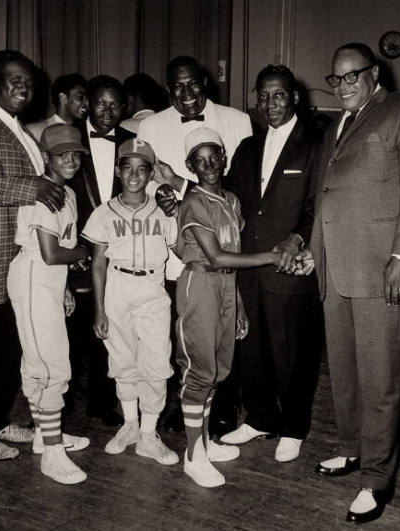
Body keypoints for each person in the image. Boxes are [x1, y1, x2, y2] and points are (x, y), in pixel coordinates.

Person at [302, 43, 400, 523]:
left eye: (352, 76)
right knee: (344, 372)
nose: (343, 85)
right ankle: (351, 448)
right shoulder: (335, 124)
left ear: (374, 73)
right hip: (337, 270)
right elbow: (328, 196)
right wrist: (312, 251)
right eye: (335, 79)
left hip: (384, 270)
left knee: (382, 379)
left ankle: (378, 478)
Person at [138, 56, 252, 436]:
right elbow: (146, 180)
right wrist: (161, 195)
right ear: (167, 89)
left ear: (206, 82)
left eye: (192, 84)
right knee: (184, 338)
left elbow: (236, 189)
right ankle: (185, 408)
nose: (185, 94)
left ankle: (221, 408)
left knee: (224, 338)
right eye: (177, 87)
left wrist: (183, 192)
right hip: (179, 253)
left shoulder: (238, 121)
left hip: (224, 249)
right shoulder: (150, 125)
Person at [219, 65, 320, 464]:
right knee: (253, 350)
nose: (270, 103)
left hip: (291, 269)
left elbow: (320, 205)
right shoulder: (247, 147)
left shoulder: (316, 142)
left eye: (278, 95)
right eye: (263, 96)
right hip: (249, 268)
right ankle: (261, 417)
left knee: (294, 352)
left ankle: (294, 426)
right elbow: (227, 199)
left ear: (294, 97)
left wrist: (297, 238)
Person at [175, 127, 283, 488]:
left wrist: (238, 305)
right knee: (199, 370)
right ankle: (193, 455)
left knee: (219, 370)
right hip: (200, 285)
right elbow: (217, 256)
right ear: (190, 166)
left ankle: (204, 441)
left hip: (224, 287)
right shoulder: (193, 202)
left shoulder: (233, 202)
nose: (209, 165)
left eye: (214, 157)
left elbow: (231, 262)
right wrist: (272, 256)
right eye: (200, 161)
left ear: (224, 159)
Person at [0, 49, 66, 461]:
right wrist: (30, 187)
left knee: (8, 348)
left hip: (17, 258)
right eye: (15, 79)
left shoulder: (18, 127)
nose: (24, 88)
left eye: (29, 82)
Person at [82, 138, 178, 465]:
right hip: (117, 285)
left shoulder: (163, 210)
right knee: (122, 359)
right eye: (128, 168)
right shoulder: (104, 211)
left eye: (142, 169)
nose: (134, 174)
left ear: (151, 174)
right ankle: (130, 425)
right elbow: (97, 263)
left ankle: (149, 434)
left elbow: (181, 245)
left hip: (152, 285)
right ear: (118, 171)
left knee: (156, 360)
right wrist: (98, 309)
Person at [7, 124, 90, 483]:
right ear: (45, 157)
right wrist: (83, 253)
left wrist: (66, 286)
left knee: (39, 360)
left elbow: (58, 254)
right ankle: (52, 455)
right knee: (51, 364)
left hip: (48, 281)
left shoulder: (66, 192)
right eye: (62, 155)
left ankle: (44, 436)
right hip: (33, 279)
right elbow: (51, 251)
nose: (70, 160)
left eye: (75, 154)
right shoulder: (44, 194)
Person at [67, 75, 135, 426]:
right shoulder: (70, 136)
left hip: (119, 249)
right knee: (71, 329)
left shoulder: (132, 141)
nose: (107, 111)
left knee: (109, 326)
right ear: (87, 104)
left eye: (114, 104)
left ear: (124, 107)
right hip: (75, 249)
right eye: (100, 103)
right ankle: (59, 406)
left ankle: (101, 400)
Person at [27, 73, 88, 141]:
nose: (87, 103)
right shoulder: (35, 131)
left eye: (87, 99)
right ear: (63, 98)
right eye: (80, 97)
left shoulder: (84, 133)